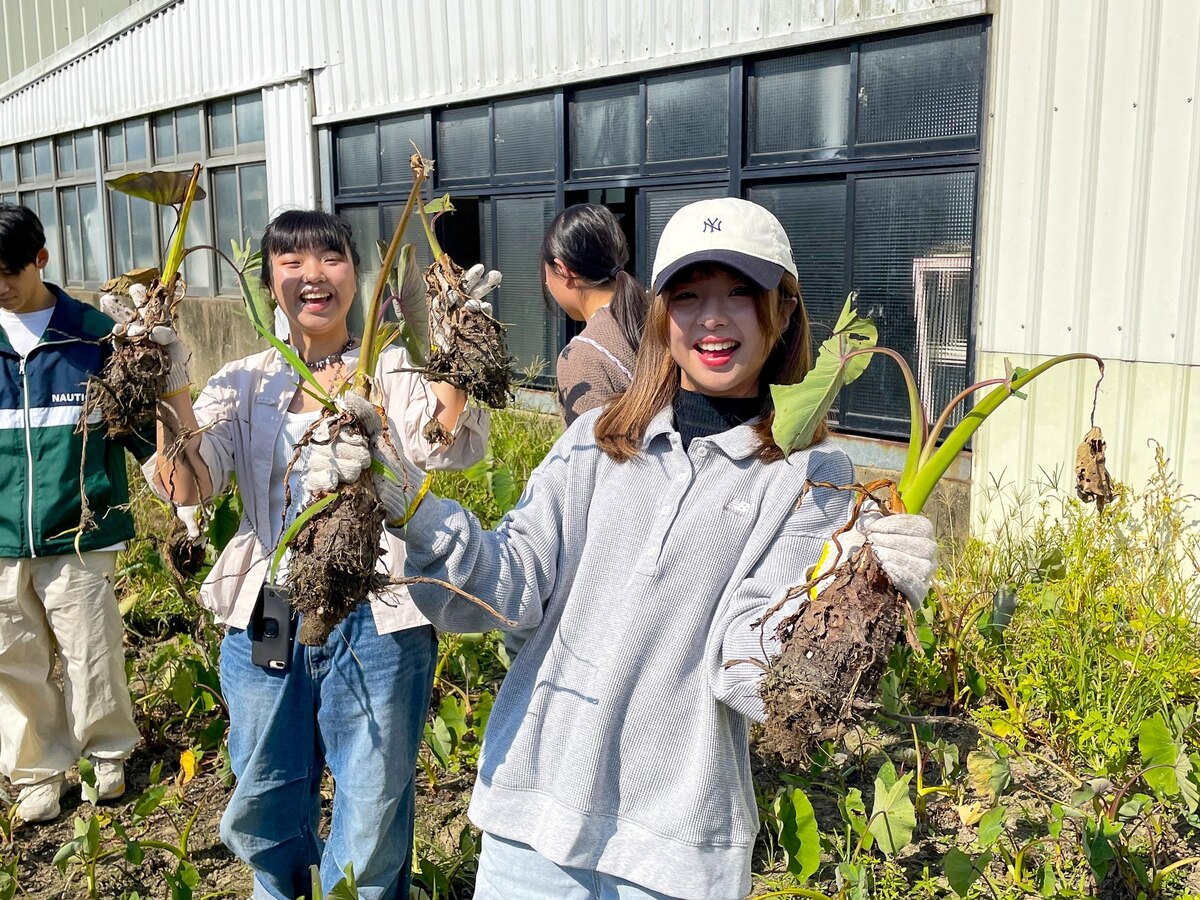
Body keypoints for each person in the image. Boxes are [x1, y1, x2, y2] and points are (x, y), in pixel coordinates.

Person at [311, 197, 938, 899]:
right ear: (660, 313)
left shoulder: (808, 476)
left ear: (784, 311)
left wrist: (858, 590)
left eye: (740, 294)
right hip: (531, 813)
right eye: (689, 295)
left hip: (674, 846)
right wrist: (416, 507)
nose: (712, 318)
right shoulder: (594, 441)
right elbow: (509, 587)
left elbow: (746, 670)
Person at [140, 210, 494, 899]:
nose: (312, 276)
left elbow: (448, 445)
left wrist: (460, 344)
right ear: (269, 280)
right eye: (291, 262)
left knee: (371, 796)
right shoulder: (244, 381)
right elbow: (191, 484)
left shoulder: (393, 367)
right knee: (265, 784)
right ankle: (279, 889)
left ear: (356, 275)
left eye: (329, 259)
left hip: (379, 612)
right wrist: (166, 380)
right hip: (270, 604)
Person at [0, 203, 143, 823]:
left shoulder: (93, 336)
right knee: (14, 657)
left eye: (8, 271)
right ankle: (37, 769)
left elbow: (138, 429)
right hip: (1, 536)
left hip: (80, 531)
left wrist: (183, 492)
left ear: (41, 259)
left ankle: (105, 755)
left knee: (92, 647)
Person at [542, 203, 647, 424]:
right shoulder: (659, 311)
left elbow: (590, 456)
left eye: (546, 273)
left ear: (562, 270)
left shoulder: (582, 355)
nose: (545, 282)